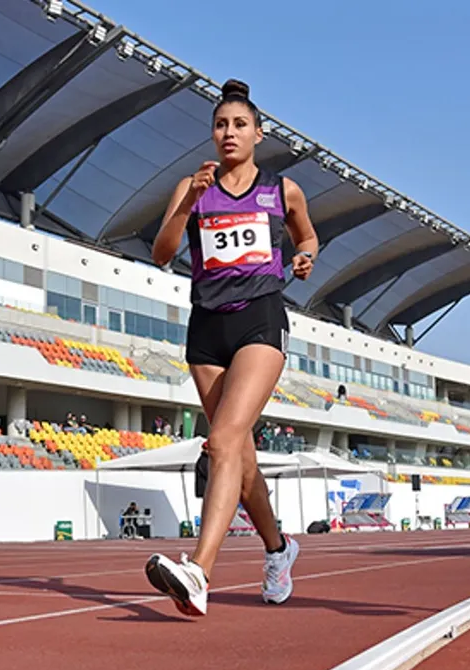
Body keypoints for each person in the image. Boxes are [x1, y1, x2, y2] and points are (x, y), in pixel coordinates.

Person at [144, 79, 318, 617]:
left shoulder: (281, 190)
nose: (229, 132)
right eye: (221, 124)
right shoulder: (192, 186)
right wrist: (188, 203)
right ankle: (278, 548)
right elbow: (162, 253)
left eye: (240, 124)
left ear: (258, 134)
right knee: (238, 457)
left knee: (220, 442)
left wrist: (305, 256)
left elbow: (306, 235)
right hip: (206, 328)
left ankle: (199, 572)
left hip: (261, 319)